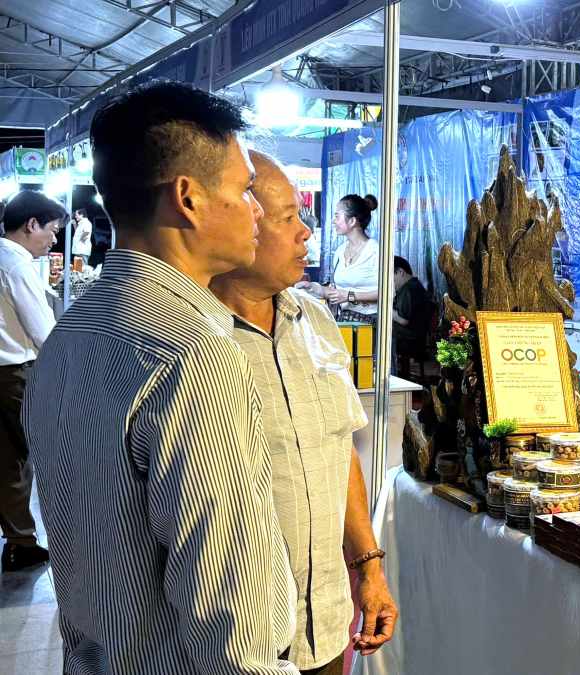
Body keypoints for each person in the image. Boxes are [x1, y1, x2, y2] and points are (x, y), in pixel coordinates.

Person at [22, 80, 300, 673]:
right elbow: (228, 608)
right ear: (188, 198)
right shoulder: (194, 352)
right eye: (244, 190)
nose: (256, 211)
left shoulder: (70, 335)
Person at [210, 150, 397, 674]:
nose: (306, 234)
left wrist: (367, 568)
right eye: (289, 218)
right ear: (240, 220)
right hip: (239, 639)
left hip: (330, 619)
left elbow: (340, 450)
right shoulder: (196, 339)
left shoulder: (313, 319)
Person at [0, 190, 63, 572]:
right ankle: (32, 541)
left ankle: (20, 541)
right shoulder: (17, 265)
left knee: (7, 460)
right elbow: (45, 333)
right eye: (51, 230)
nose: (53, 240)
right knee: (33, 458)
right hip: (15, 377)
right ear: (31, 225)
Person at [320, 193, 379, 322]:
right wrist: (316, 289)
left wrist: (350, 296)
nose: (334, 221)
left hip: (371, 323)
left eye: (337, 216)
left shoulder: (376, 251)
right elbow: (336, 290)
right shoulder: (340, 251)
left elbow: (387, 293)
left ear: (352, 221)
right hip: (345, 320)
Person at [391, 255, 432, 378]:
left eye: (391, 277)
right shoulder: (415, 285)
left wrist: (385, 308)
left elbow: (403, 320)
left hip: (409, 339)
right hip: (417, 338)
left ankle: (390, 374)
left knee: (378, 332)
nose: (390, 282)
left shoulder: (409, 289)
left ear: (400, 272)